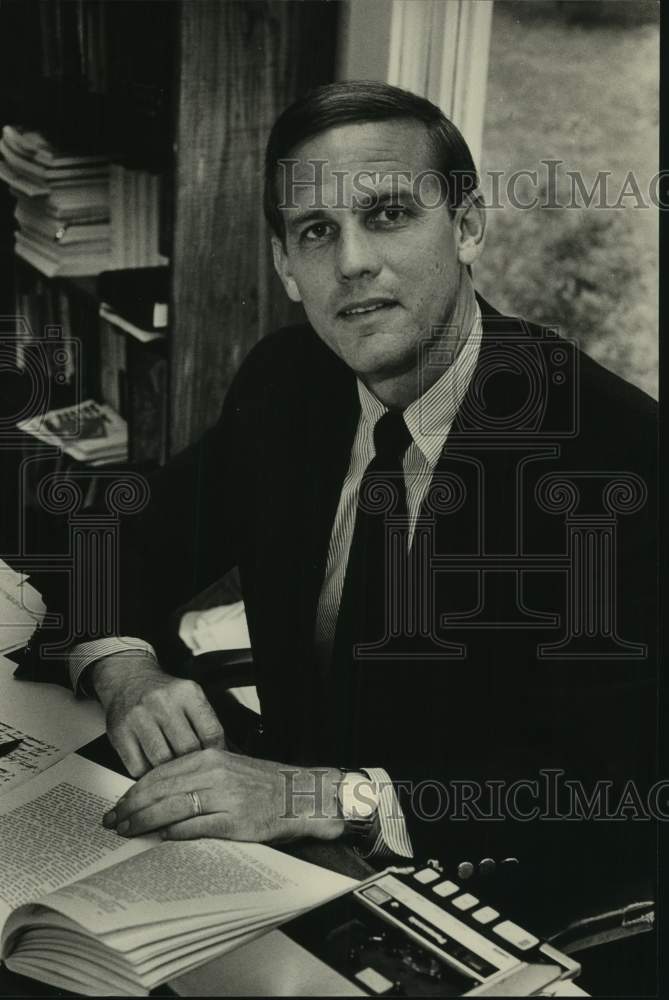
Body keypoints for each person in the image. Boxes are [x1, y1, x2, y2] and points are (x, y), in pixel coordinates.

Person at [70, 82, 656, 896]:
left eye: (387, 214)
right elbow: (117, 538)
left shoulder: (617, 457)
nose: (351, 262)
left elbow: (611, 791)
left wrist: (329, 798)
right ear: (286, 266)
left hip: (491, 897)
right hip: (276, 864)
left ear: (467, 226)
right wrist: (126, 672)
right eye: (317, 231)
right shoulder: (288, 383)